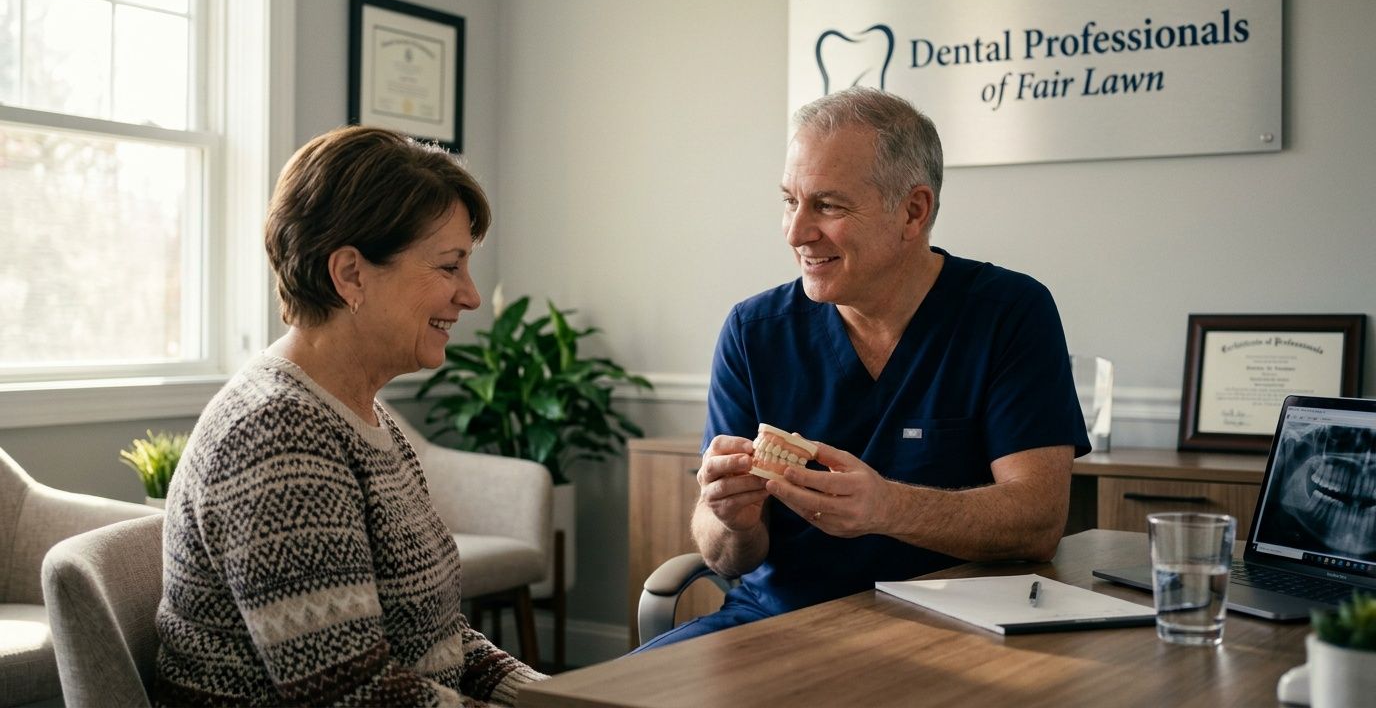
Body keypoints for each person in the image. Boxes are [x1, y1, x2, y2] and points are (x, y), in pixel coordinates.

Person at [636, 87, 1091, 649]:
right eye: (789, 200)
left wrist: (887, 507)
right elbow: (727, 556)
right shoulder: (755, 332)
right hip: (777, 622)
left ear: (913, 211)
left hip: (953, 630)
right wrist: (732, 519)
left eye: (827, 206)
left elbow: (1038, 521)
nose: (796, 232)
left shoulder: (1009, 314)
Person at [153, 126, 545, 706]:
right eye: (448, 267)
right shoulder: (276, 435)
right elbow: (349, 693)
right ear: (351, 275)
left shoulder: (359, 416)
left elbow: (434, 635)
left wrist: (555, 697)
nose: (471, 296)